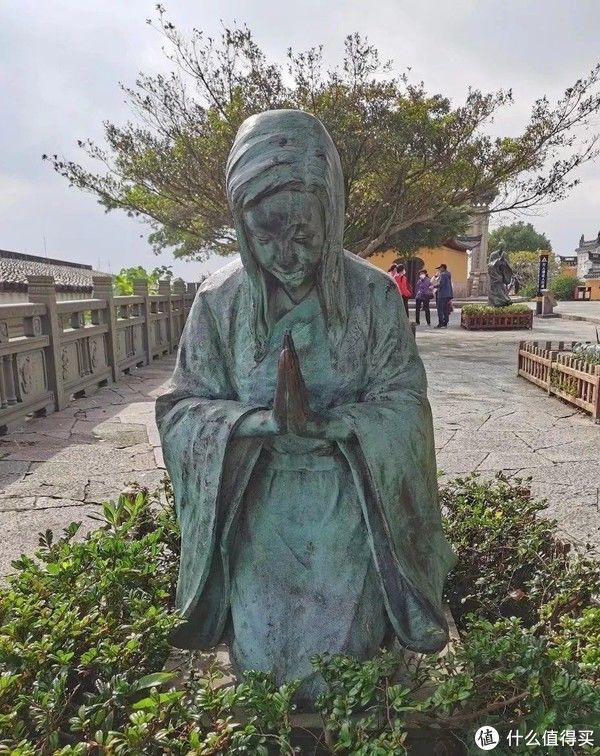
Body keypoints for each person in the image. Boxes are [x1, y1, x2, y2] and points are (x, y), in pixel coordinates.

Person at [156, 110, 455, 704]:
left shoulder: (372, 296)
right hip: (258, 504)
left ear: (332, 215)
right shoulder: (219, 302)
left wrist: (342, 424)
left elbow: (403, 403)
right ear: (242, 229)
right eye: (265, 239)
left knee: (347, 671)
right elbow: (183, 405)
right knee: (267, 671)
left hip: (350, 501)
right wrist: (253, 422)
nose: (286, 256)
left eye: (303, 236)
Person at [435, 263, 453, 328]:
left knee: (440, 309)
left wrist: (433, 286)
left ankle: (441, 323)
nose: (439, 270)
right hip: (448, 294)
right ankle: (445, 322)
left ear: (443, 268)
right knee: (445, 309)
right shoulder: (448, 274)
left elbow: (441, 284)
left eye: (440, 268)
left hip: (442, 294)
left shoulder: (443, 274)